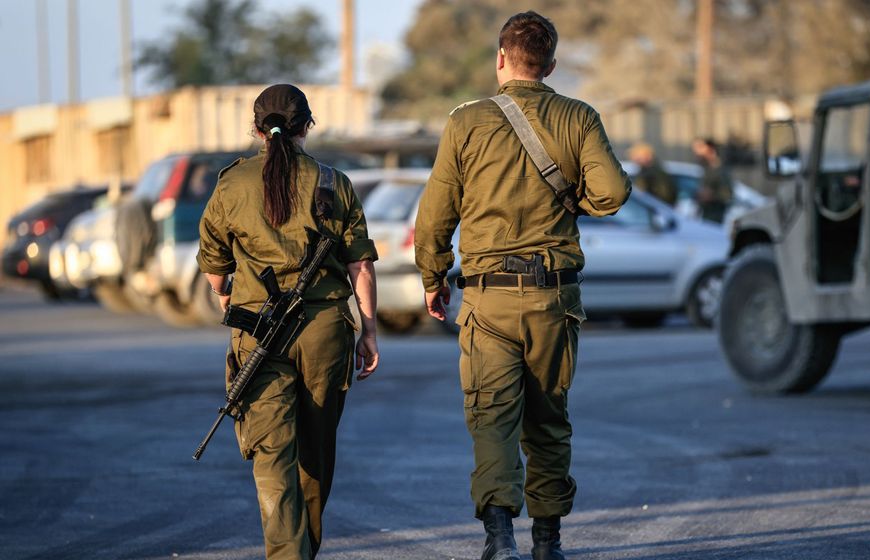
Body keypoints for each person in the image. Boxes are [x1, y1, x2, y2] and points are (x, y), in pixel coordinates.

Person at [414, 12, 630, 560]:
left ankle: (499, 539)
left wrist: (433, 278)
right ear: (551, 65)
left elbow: (436, 212)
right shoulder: (578, 116)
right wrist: (573, 201)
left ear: (500, 59)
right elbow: (613, 193)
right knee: (549, 422)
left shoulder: (465, 122)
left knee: (493, 418)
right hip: (554, 297)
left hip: (487, 298)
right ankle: (548, 544)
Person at [197, 84, 379, 560]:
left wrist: (226, 296)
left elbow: (216, 274)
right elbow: (361, 264)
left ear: (257, 130)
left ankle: (287, 554)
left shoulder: (231, 184)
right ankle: (302, 551)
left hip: (258, 330)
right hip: (325, 333)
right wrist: (370, 331)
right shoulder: (332, 182)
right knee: (316, 452)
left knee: (272, 453)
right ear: (307, 127)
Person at [692, 137, 733, 223]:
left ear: (710, 149)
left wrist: (711, 196)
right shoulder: (707, 169)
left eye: (700, 148)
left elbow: (727, 195)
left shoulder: (719, 170)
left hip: (715, 217)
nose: (696, 152)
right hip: (706, 215)